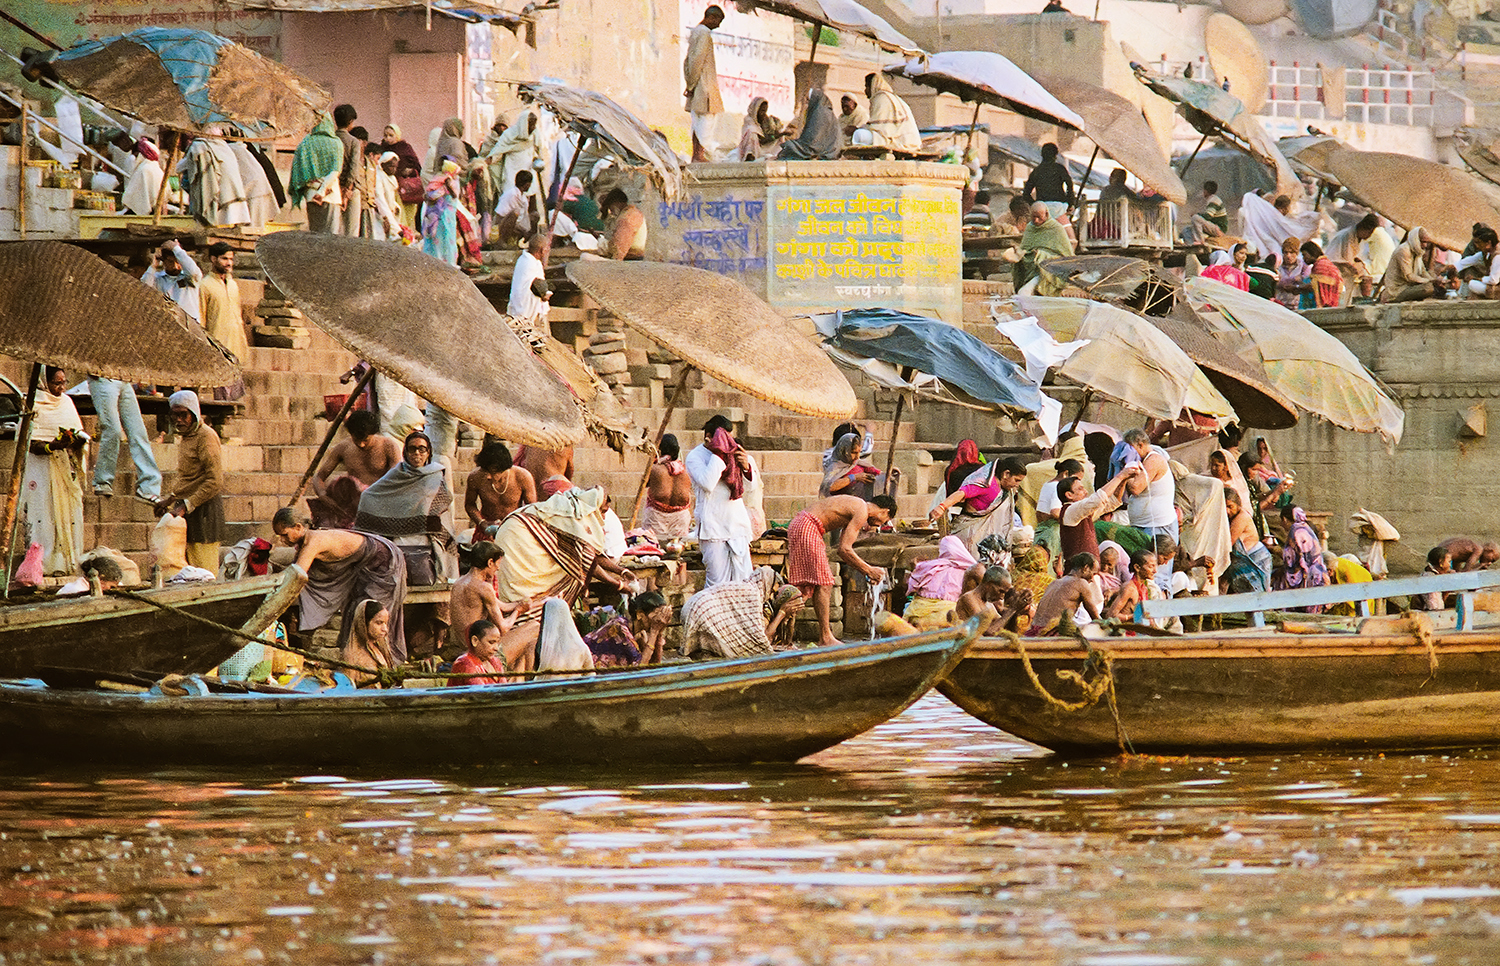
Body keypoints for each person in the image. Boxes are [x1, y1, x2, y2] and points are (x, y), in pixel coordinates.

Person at [273, 507, 409, 659]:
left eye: (284, 535)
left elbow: (296, 575)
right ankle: (353, 661)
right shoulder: (306, 542)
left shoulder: (314, 542)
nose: (282, 540)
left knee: (371, 615)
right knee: (352, 611)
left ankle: (383, 663)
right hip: (364, 566)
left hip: (383, 562)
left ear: (298, 527)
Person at [786, 494, 895, 647]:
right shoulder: (862, 510)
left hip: (802, 524)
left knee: (805, 587)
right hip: (808, 526)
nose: (878, 525)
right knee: (825, 582)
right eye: (883, 521)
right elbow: (844, 550)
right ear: (885, 511)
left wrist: (866, 571)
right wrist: (869, 570)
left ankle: (777, 632)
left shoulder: (856, 506)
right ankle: (825, 637)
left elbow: (843, 550)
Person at [355, 431, 458, 585]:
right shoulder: (396, 474)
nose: (417, 453)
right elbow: (369, 495)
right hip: (398, 544)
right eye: (412, 449)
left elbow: (442, 508)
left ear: (428, 452)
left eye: (422, 449)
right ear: (406, 452)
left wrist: (426, 517)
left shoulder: (435, 476)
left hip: (425, 545)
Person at [21, 367, 87, 575]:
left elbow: (78, 432)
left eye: (64, 382)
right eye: (56, 383)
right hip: (39, 469)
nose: (61, 388)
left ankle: (65, 563)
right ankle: (42, 565)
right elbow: (27, 441)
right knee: (43, 512)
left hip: (63, 469)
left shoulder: (67, 402)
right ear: (43, 381)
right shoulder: (32, 402)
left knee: (67, 512)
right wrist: (52, 446)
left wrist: (74, 440)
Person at [687, 415, 761, 586]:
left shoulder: (736, 451)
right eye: (722, 438)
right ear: (708, 436)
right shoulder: (695, 456)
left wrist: (746, 467)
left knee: (744, 582)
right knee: (716, 584)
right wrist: (719, 453)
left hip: (737, 526)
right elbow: (707, 483)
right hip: (713, 529)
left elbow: (751, 488)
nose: (727, 442)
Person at [156, 391, 223, 577]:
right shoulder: (186, 437)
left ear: (193, 414)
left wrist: (186, 505)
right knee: (186, 574)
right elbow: (189, 478)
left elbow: (214, 481)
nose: (178, 420)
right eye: (174, 415)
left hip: (205, 513)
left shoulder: (206, 437)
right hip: (187, 511)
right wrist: (169, 499)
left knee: (204, 574)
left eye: (183, 415)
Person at [682, 566, 802, 658]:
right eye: (773, 590)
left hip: (692, 606)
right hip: (701, 609)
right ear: (767, 583)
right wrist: (782, 613)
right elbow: (760, 639)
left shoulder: (747, 588)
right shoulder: (753, 595)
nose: (771, 596)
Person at [311, 410, 401, 529]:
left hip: (381, 504)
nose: (361, 444)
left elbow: (397, 479)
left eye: (366, 440)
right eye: (356, 439)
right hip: (353, 510)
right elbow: (319, 477)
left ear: (373, 434)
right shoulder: (343, 447)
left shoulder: (389, 446)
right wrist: (323, 496)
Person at [930, 456, 1028, 556]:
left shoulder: (1005, 490)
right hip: (970, 534)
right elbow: (962, 493)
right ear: (1006, 474)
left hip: (988, 539)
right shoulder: (987, 484)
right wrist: (942, 507)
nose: (1017, 485)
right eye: (1016, 480)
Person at [86, 375, 160, 501]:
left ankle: (148, 487)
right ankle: (102, 481)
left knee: (138, 431)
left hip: (122, 379)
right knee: (112, 429)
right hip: (102, 378)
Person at [1120, 428, 1175, 591]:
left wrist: (1123, 473)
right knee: (1142, 574)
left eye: (1130, 448)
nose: (1127, 452)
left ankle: (1162, 613)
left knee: (1157, 576)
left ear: (1141, 445)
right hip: (1142, 525)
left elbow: (1136, 487)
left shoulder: (1154, 459)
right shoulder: (1142, 461)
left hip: (1158, 526)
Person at [449, 542, 528, 653]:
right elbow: (503, 628)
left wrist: (525, 603)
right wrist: (518, 611)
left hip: (463, 645)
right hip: (477, 650)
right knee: (533, 628)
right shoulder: (483, 587)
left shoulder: (458, 583)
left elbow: (503, 606)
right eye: (497, 565)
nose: (498, 569)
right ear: (490, 563)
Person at [197, 241, 248, 399]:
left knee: (236, 399)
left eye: (231, 259)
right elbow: (201, 319)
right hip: (218, 348)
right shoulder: (204, 285)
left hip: (236, 347)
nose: (229, 263)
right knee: (221, 399)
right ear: (213, 259)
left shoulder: (233, 285)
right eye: (224, 259)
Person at [1058, 466, 1138, 560]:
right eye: (1080, 489)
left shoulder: (1083, 513)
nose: (1086, 492)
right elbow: (1098, 499)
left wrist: (1124, 479)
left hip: (1088, 569)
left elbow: (1114, 500)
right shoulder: (1070, 510)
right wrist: (1120, 476)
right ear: (1069, 495)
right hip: (1079, 571)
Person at [902, 535, 977, 629]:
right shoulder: (968, 572)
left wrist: (914, 567)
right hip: (948, 612)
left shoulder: (930, 566)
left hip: (919, 609)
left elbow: (912, 585)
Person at [465, 441, 536, 535]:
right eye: (485, 471)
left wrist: (515, 524)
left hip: (514, 528)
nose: (488, 476)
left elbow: (531, 508)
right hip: (487, 529)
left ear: (504, 469)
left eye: (493, 472)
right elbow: (470, 505)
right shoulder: (475, 477)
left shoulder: (523, 476)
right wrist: (481, 523)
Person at [289, 113, 344, 234]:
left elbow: (298, 172)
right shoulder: (336, 143)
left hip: (311, 194)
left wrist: (314, 188)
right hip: (331, 195)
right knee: (331, 237)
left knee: (315, 236)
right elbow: (335, 171)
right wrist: (323, 190)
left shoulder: (305, 143)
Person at [684, 5, 725, 161]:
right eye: (718, 21)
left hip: (696, 84)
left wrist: (690, 84)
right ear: (711, 18)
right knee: (707, 121)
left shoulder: (696, 32)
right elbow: (695, 61)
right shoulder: (704, 33)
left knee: (697, 121)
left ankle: (697, 155)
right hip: (704, 85)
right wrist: (692, 85)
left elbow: (687, 61)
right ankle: (699, 155)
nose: (718, 25)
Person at [1027, 553, 1100, 636]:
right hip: (1050, 634)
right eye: (1093, 573)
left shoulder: (1055, 582)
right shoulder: (1081, 583)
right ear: (1085, 568)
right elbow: (1096, 618)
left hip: (1032, 632)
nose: (1092, 579)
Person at [1274, 505, 1328, 610]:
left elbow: (1291, 560)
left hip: (1306, 579)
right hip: (1318, 576)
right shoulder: (1307, 528)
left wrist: (1275, 550)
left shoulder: (1294, 531)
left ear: (1284, 519)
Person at [1382, 226, 1455, 302]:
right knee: (1428, 288)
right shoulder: (1404, 251)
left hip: (1409, 287)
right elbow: (1409, 277)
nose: (1425, 245)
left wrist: (1435, 280)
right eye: (1423, 242)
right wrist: (1430, 281)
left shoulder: (1417, 251)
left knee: (1440, 286)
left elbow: (1423, 272)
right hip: (1397, 290)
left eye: (1426, 242)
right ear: (1416, 239)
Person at [642, 433, 693, 541]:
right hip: (673, 517)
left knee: (655, 551)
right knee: (677, 551)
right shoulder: (686, 470)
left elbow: (644, 484)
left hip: (662, 517)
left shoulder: (654, 469)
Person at [1014, 201, 1074, 293]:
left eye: (1039, 217)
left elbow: (1067, 258)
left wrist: (1041, 255)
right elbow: (1024, 249)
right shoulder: (1030, 228)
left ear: (1046, 214)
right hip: (1031, 271)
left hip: (1049, 273)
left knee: (1024, 293)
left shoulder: (1056, 229)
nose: (1036, 220)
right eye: (1033, 217)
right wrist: (1018, 254)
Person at [953, 565, 1030, 635]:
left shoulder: (989, 604)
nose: (1002, 597)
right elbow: (986, 632)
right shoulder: (968, 598)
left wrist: (1016, 609)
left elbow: (1002, 625)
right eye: (1001, 591)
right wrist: (1012, 609)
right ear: (988, 585)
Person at [856, 72, 921, 153]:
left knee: (860, 134)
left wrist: (857, 129)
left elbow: (878, 129)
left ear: (872, 86)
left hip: (900, 142)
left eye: (866, 87)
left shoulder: (881, 98)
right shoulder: (891, 97)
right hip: (909, 141)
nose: (865, 91)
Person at [142, 239, 203, 324]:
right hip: (168, 324)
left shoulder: (190, 278)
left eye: (177, 262)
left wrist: (176, 249)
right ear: (164, 261)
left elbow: (193, 272)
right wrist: (153, 266)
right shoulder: (158, 278)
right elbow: (144, 288)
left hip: (190, 324)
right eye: (170, 262)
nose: (175, 266)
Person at [422, 158, 467, 266]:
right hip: (440, 215)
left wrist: (448, 185)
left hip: (447, 215)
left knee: (447, 238)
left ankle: (448, 262)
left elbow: (454, 195)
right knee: (439, 239)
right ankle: (439, 262)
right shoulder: (441, 181)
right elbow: (432, 196)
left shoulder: (452, 182)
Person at [342, 598, 395, 687]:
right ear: (364, 623)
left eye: (386, 623)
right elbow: (348, 690)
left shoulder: (380, 650)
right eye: (379, 623)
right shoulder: (352, 656)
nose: (385, 629)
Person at [777, 88, 841, 161]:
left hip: (819, 151)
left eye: (808, 100)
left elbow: (812, 143)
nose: (807, 103)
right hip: (819, 148)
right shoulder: (821, 112)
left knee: (789, 145)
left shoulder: (820, 114)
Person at [1327, 213, 1380, 301]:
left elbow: (1354, 257)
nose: (1370, 235)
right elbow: (1333, 258)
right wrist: (1350, 266)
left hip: (1348, 278)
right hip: (1336, 274)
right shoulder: (1346, 236)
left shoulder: (1357, 238)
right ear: (1366, 229)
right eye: (1370, 232)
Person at [1105, 550, 1164, 626]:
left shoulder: (1144, 588)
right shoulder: (1129, 588)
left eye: (1155, 566)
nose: (1155, 571)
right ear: (1137, 567)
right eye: (1150, 566)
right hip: (1125, 633)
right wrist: (1133, 616)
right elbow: (1110, 615)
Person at [333, 104, 364, 238]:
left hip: (333, 187)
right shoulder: (354, 142)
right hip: (351, 189)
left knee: (335, 229)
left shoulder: (332, 139)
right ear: (351, 122)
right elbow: (353, 168)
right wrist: (348, 189)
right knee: (351, 231)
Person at [820, 432, 880, 500]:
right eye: (854, 452)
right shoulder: (834, 466)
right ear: (844, 451)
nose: (857, 457)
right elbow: (828, 487)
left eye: (859, 452)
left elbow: (878, 474)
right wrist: (853, 477)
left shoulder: (858, 463)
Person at [450, 618, 508, 685]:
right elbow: (481, 694)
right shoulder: (465, 663)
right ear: (475, 641)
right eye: (491, 642)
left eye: (497, 643)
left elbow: (505, 689)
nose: (496, 648)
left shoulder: (495, 662)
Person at [508, 233, 550, 321]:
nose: (547, 251)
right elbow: (529, 290)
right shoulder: (529, 263)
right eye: (546, 248)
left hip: (525, 309)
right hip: (523, 311)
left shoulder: (530, 261)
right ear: (542, 250)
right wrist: (544, 295)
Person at [1022, 143, 1074, 208]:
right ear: (1055, 155)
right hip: (1059, 207)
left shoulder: (1036, 171)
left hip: (1043, 208)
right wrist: (1069, 202)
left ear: (1042, 155)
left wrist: (1036, 205)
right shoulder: (1060, 169)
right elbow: (1069, 184)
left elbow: (1026, 194)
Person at [600, 189, 647, 260]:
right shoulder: (633, 212)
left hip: (630, 258)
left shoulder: (626, 217)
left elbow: (620, 247)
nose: (611, 211)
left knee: (585, 257)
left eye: (611, 207)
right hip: (636, 256)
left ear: (616, 204)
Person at [494, 169, 536, 248]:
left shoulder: (523, 196)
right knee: (515, 213)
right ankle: (502, 242)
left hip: (517, 224)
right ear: (527, 184)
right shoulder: (512, 194)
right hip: (502, 225)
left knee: (535, 216)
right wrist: (523, 230)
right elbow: (500, 216)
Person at [369, 151, 405, 241]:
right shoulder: (378, 177)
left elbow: (390, 199)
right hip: (379, 215)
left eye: (395, 167)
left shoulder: (392, 178)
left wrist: (395, 207)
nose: (393, 169)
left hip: (389, 215)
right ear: (383, 165)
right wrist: (396, 229)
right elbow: (381, 201)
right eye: (390, 166)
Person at [738, 96, 785, 161]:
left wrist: (777, 130)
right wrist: (776, 135)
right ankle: (749, 155)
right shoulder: (749, 121)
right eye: (762, 111)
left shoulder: (764, 119)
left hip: (762, 147)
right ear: (756, 110)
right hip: (752, 148)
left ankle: (779, 153)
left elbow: (768, 135)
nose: (764, 114)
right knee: (752, 133)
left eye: (765, 111)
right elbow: (762, 139)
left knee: (779, 134)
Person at [1299, 241, 1343, 308]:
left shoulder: (1321, 265)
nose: (1304, 258)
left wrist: (1297, 288)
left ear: (1311, 253)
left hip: (1327, 304)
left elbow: (1315, 287)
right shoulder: (1324, 263)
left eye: (1304, 255)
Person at [1275, 236, 1314, 310]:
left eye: (1291, 252)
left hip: (1298, 305)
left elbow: (1307, 283)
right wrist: (1293, 280)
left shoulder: (1303, 267)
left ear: (1296, 253)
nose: (1288, 256)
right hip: (1281, 305)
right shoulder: (1278, 266)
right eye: (1286, 253)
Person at [1411, 545, 1454, 611]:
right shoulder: (1430, 577)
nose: (1449, 565)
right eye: (1448, 561)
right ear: (1441, 563)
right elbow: (1434, 606)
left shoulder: (1433, 575)